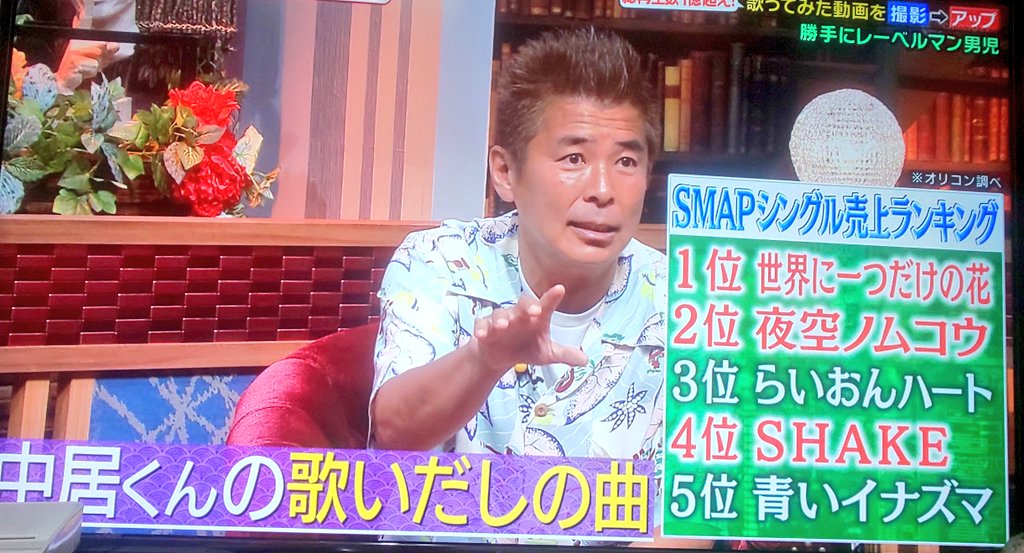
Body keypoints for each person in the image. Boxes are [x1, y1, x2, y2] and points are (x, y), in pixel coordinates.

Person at [370, 28, 710, 548]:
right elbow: (394, 436)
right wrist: (484, 360)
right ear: (505, 172)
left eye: (626, 161)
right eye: (574, 158)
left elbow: (688, 517)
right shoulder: (439, 261)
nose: (603, 190)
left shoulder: (684, 301)